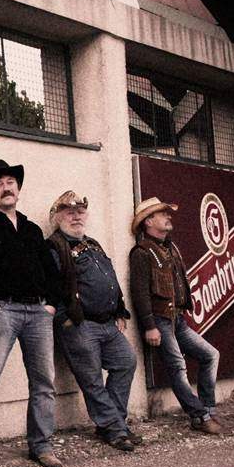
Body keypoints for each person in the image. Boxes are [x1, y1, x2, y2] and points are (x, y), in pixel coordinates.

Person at [0, 159, 64, 467]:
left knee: (43, 382)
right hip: (4, 311)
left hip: (38, 312)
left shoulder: (32, 229)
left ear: (18, 189)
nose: (6, 187)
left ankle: (41, 445)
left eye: (10, 182)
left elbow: (51, 272)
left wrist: (50, 304)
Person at [46, 191, 140, 451]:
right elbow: (51, 286)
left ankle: (113, 424)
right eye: (69, 212)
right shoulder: (54, 246)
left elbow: (109, 276)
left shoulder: (93, 243)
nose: (76, 216)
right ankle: (115, 429)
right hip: (79, 324)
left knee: (126, 362)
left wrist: (119, 309)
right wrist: (66, 319)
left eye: (80, 212)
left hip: (107, 323)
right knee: (92, 380)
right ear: (57, 218)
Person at [128, 197, 222, 434]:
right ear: (149, 221)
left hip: (177, 320)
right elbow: (139, 293)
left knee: (210, 355)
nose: (168, 216)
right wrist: (150, 326)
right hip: (159, 320)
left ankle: (208, 408)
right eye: (162, 214)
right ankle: (200, 416)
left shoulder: (171, 247)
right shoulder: (141, 252)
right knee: (178, 368)